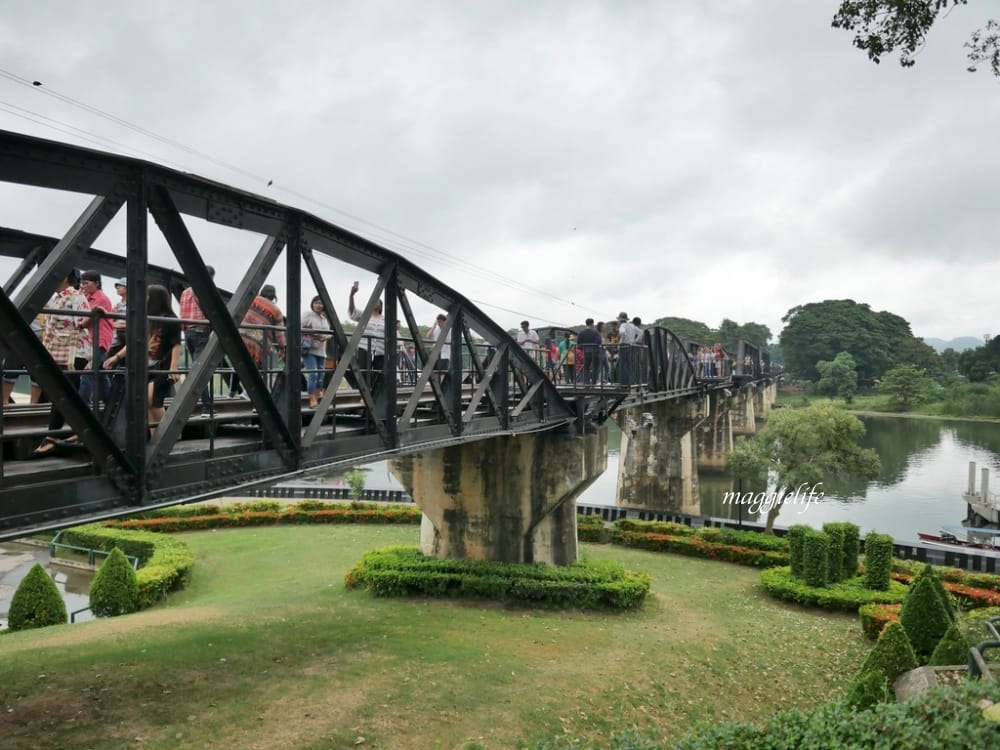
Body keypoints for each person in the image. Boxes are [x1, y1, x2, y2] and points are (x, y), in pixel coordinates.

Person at [104, 284, 181, 435]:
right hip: (146, 367)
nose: (144, 299)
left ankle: (166, 436)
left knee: (153, 400)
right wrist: (117, 357)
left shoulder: (171, 319)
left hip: (162, 367)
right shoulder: (146, 319)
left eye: (147, 296)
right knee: (148, 403)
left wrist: (173, 368)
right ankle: (156, 436)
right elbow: (133, 341)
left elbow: (176, 345)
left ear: (155, 299)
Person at [33, 269, 91, 456]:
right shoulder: (57, 298)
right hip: (58, 353)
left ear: (65, 276)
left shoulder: (76, 296)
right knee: (64, 394)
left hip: (73, 353)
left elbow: (84, 321)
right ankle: (81, 431)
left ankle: (53, 436)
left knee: (62, 394)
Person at [179, 265, 216, 414]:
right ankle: (207, 408)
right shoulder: (205, 291)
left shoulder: (185, 292)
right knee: (200, 371)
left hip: (187, 332)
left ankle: (202, 404)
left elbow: (182, 312)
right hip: (201, 333)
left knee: (196, 368)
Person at [77, 270, 115, 408]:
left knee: (88, 372)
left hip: (99, 339)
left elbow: (86, 321)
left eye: (86, 283)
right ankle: (112, 405)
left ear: (96, 283)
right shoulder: (88, 297)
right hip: (94, 339)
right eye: (81, 283)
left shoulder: (101, 299)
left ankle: (82, 407)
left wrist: (78, 325)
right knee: (100, 374)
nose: (82, 286)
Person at [347, 281, 385, 388]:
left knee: (378, 372)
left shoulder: (385, 319)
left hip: (381, 350)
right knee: (363, 370)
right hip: (364, 347)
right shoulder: (365, 314)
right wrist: (351, 295)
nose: (375, 303)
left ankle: (372, 394)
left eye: (378, 301)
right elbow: (352, 313)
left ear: (381, 306)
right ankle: (364, 393)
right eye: (374, 301)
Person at [301, 295, 331, 408]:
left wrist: (326, 337)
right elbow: (299, 327)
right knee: (313, 374)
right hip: (309, 349)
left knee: (321, 376)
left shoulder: (324, 319)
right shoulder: (308, 314)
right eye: (316, 303)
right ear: (312, 304)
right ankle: (312, 399)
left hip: (322, 351)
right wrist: (316, 335)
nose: (318, 305)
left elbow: (329, 333)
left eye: (321, 303)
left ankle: (317, 398)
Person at [574, 318, 603, 386]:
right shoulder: (595, 332)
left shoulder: (581, 333)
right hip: (595, 352)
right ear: (592, 324)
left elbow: (579, 343)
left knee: (586, 368)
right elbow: (599, 342)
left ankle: (587, 383)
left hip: (586, 352)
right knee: (595, 368)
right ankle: (594, 383)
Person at [617, 312, 642, 385]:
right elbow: (641, 332)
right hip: (631, 346)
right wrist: (634, 341)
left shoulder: (622, 325)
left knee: (623, 365)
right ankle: (630, 381)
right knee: (629, 364)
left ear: (620, 320)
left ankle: (624, 383)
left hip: (624, 346)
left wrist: (621, 341)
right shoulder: (632, 326)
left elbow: (622, 333)